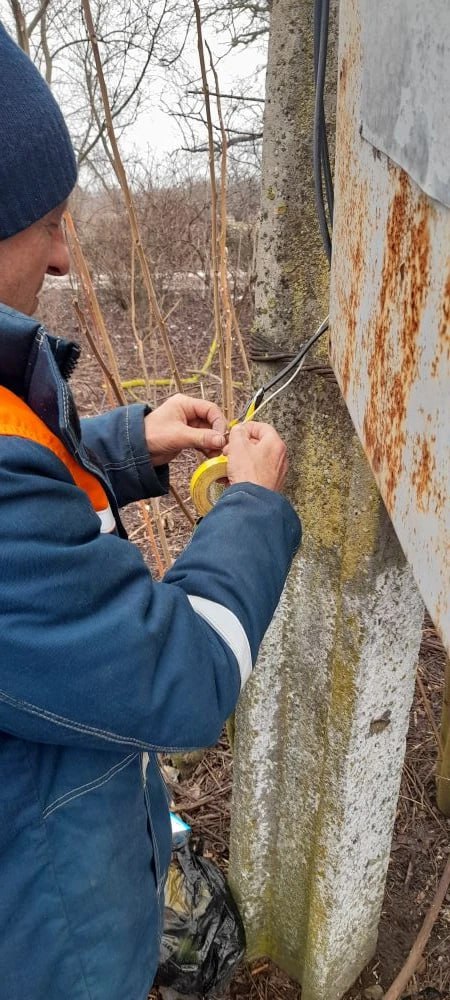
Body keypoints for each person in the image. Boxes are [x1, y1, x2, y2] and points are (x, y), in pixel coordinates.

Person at [0, 22, 301, 1000]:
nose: (61, 256)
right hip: (49, 952)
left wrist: (130, 444)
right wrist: (251, 509)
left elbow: (34, 497)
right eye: (42, 221)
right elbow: (179, 675)